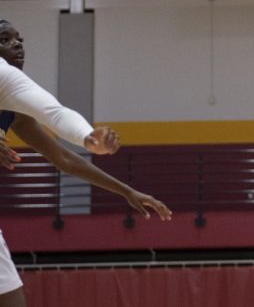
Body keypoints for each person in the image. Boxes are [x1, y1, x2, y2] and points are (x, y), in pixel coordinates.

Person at [0, 19, 172, 307]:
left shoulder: (9, 88)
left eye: (19, 39)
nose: (17, 45)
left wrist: (90, 141)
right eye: (5, 39)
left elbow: (59, 137)